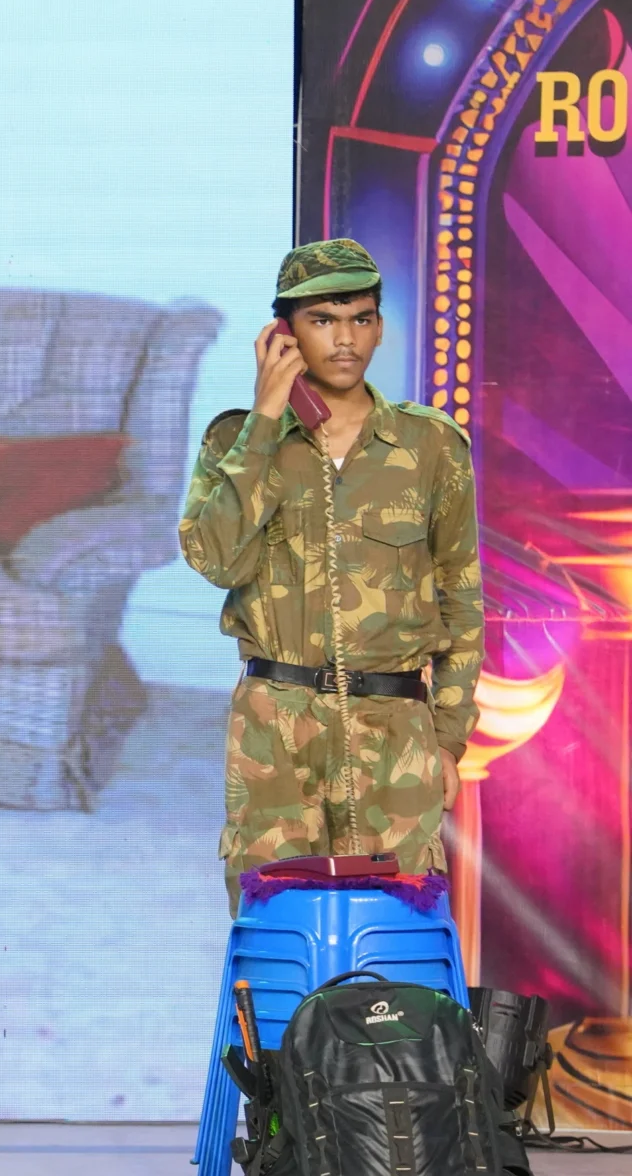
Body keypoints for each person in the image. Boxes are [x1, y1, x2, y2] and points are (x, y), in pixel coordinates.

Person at [178, 238, 484, 909]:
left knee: (392, 937)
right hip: (275, 731)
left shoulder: (430, 445)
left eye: (360, 318)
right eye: (322, 320)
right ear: (283, 335)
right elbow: (216, 560)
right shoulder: (233, 441)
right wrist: (265, 419)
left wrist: (447, 741)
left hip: (396, 734)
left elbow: (462, 598)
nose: (346, 339)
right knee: (280, 931)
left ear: (379, 326)